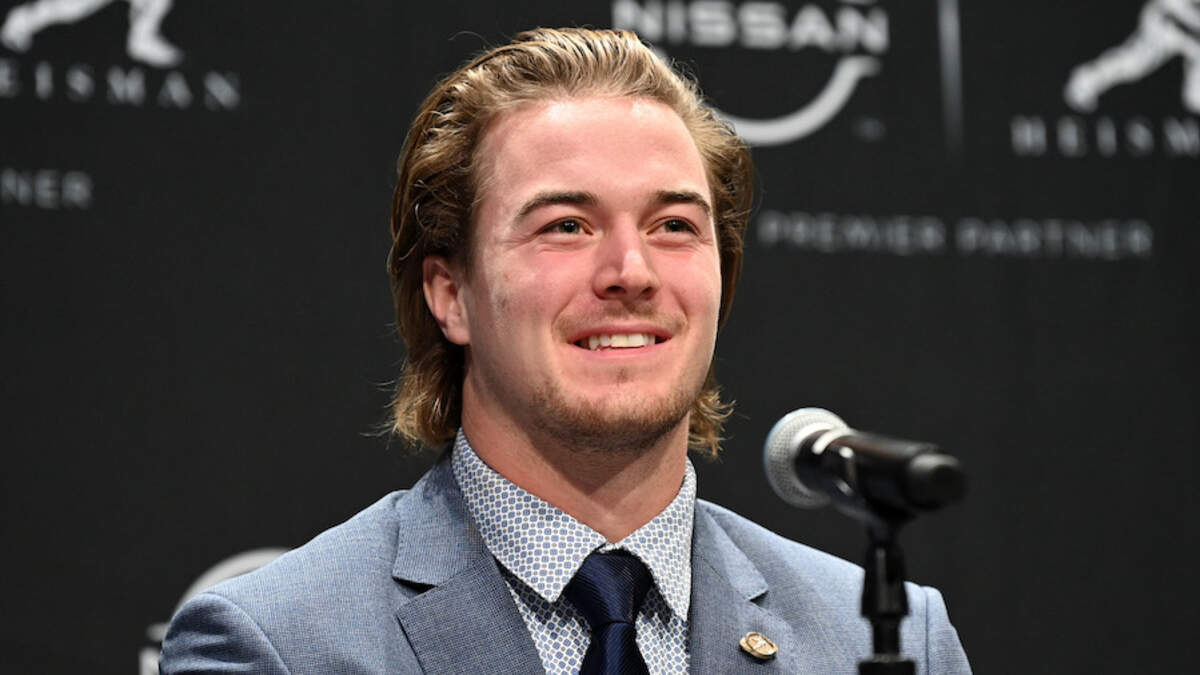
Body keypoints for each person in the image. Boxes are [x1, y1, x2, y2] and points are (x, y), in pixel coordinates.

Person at [159, 27, 970, 674]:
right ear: (450, 293)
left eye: (674, 225)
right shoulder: (277, 645)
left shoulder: (888, 641)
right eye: (567, 226)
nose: (631, 271)